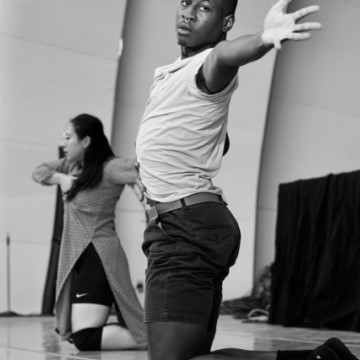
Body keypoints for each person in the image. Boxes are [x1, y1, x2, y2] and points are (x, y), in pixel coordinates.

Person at [135, 0, 359, 359]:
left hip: (185, 227)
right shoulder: (169, 74)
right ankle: (319, 359)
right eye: (186, 2)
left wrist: (265, 39)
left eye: (204, 7)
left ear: (227, 21)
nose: (189, 12)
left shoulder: (206, 65)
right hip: (188, 224)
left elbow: (224, 56)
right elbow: (216, 143)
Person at [32, 113, 147, 351]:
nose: (64, 142)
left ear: (85, 141)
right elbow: (39, 172)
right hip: (81, 257)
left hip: (100, 254)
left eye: (68, 137)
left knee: (84, 338)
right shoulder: (72, 166)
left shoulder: (110, 167)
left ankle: (151, 340)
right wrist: (62, 179)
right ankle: (150, 337)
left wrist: (140, 186)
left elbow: (141, 169)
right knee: (79, 334)